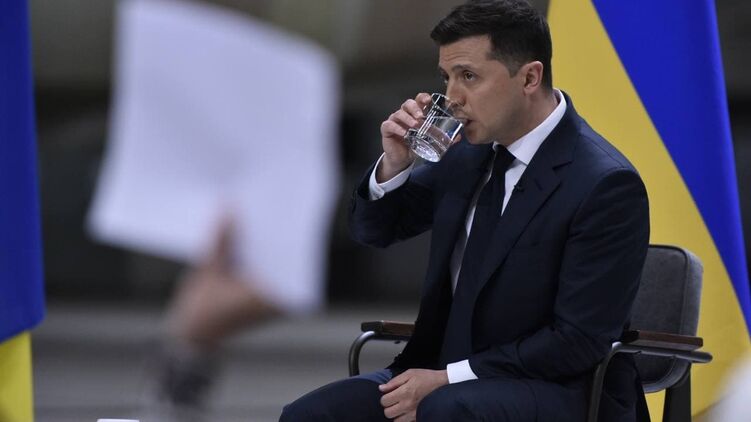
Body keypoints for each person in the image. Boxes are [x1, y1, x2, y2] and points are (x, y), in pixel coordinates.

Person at [280, 0, 650, 421]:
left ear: (529, 77)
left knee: (444, 410)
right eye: (447, 77)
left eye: (468, 76)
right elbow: (375, 232)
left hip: (561, 390)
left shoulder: (604, 184)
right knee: (310, 415)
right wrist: (394, 165)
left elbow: (577, 342)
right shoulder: (466, 155)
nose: (452, 98)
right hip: (446, 377)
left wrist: (450, 378)